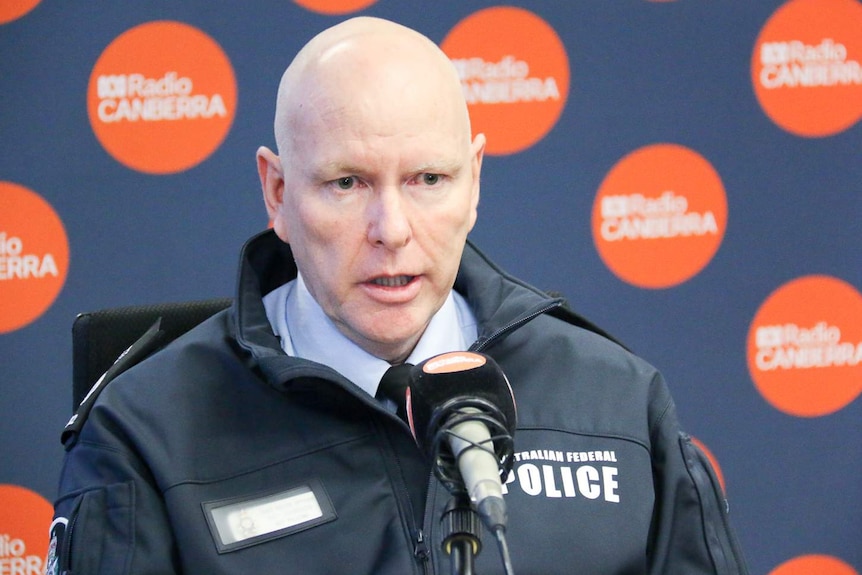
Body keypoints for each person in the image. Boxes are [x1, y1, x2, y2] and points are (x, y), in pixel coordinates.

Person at [49, 16, 748, 575]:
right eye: (347, 183)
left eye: (428, 179)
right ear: (278, 192)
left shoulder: (617, 401)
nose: (392, 230)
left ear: (474, 181)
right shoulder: (144, 435)